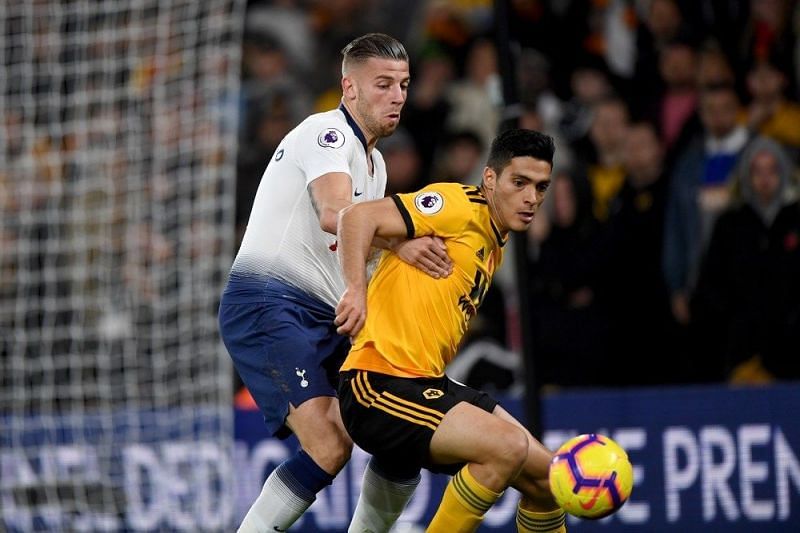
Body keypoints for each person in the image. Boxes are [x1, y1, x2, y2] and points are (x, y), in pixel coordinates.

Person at [218, 33, 453, 532]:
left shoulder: (377, 162)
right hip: (269, 302)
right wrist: (401, 242)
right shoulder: (327, 132)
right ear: (349, 88)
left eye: (404, 86)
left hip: (325, 316)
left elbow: (360, 249)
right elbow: (334, 214)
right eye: (383, 84)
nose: (397, 97)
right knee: (327, 447)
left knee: (397, 427)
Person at [335, 129, 568, 532]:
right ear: (490, 179)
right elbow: (357, 216)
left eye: (541, 186)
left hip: (429, 384)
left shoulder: (494, 241)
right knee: (506, 447)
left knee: (549, 477)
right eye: (520, 182)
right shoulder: (459, 204)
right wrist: (356, 291)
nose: (532, 198)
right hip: (378, 383)